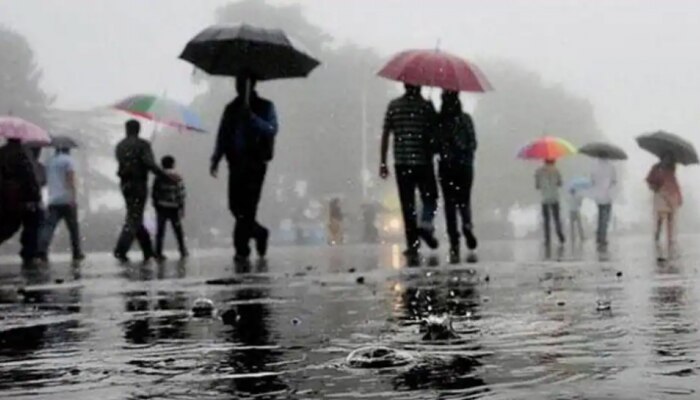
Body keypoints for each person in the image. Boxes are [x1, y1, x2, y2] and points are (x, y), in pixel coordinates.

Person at [211, 76, 277, 263]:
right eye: (237, 83)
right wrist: (216, 157)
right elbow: (222, 134)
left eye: (242, 83)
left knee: (248, 207)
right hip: (235, 162)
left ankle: (241, 248)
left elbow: (271, 129)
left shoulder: (265, 106)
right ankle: (259, 232)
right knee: (234, 205)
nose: (239, 87)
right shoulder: (231, 108)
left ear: (252, 84)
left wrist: (252, 118)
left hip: (256, 162)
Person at [379, 83, 439, 261]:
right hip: (423, 162)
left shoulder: (394, 106)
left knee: (408, 205)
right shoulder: (426, 107)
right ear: (419, 86)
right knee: (430, 196)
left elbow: (386, 134)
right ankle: (426, 224)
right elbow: (435, 133)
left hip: (402, 163)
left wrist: (383, 162)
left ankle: (412, 244)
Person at [114, 119, 171, 263]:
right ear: (138, 130)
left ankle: (148, 250)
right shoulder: (143, 145)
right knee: (134, 217)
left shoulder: (120, 146)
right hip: (138, 184)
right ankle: (121, 249)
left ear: (126, 129)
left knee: (135, 215)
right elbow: (149, 164)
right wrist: (165, 176)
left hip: (125, 184)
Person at [435, 90, 479, 264]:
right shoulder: (466, 119)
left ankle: (454, 237)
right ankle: (467, 225)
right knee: (464, 200)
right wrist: (464, 151)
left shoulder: (440, 122)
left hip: (446, 168)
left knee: (449, 203)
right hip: (465, 167)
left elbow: (434, 145)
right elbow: (473, 143)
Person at [37, 145, 85, 262]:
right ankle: (76, 252)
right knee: (73, 228)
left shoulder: (50, 161)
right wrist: (73, 197)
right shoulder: (68, 161)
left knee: (49, 226)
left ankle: (42, 249)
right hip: (67, 199)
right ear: (67, 149)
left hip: (53, 199)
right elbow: (70, 179)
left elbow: (44, 180)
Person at [0, 138, 43, 264]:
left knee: (7, 226)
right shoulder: (22, 154)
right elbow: (29, 177)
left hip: (4, 197)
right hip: (21, 198)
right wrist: (36, 197)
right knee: (32, 223)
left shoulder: (1, 152)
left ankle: (29, 252)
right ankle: (29, 254)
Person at [152, 155, 188, 260]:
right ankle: (182, 250)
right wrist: (182, 207)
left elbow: (155, 192)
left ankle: (158, 252)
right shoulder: (177, 177)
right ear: (173, 164)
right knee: (178, 230)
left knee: (160, 231)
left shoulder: (159, 177)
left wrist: (155, 204)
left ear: (162, 164)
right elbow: (181, 193)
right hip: (174, 208)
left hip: (162, 207)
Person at [646, 154, 682, 248]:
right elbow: (649, 180)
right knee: (660, 218)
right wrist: (654, 187)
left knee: (671, 219)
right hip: (660, 195)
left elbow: (675, 183)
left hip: (671, 195)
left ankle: (670, 240)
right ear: (662, 158)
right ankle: (657, 235)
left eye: (670, 158)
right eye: (666, 158)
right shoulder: (656, 168)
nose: (668, 160)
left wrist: (679, 196)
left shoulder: (671, 170)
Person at [535, 159, 565, 245]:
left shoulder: (539, 171)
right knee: (556, 218)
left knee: (546, 219)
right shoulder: (556, 170)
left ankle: (547, 238)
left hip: (545, 198)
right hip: (554, 197)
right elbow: (560, 183)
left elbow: (537, 186)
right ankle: (559, 234)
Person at [590, 158, 617, 247]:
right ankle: (603, 237)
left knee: (600, 216)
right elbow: (614, 181)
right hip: (607, 195)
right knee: (605, 218)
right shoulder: (611, 167)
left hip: (598, 196)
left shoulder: (594, 167)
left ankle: (599, 235)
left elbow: (592, 181)